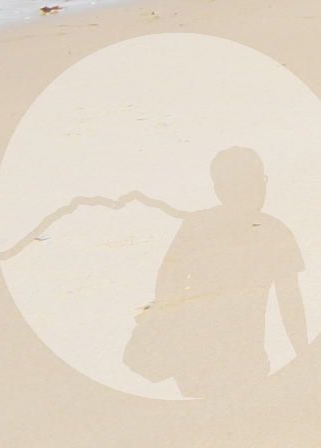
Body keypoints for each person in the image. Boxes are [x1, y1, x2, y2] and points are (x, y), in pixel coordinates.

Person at [123, 146, 306, 396]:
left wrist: (169, 328)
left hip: (197, 361)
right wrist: (304, 355)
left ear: (218, 189)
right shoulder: (276, 233)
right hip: (242, 361)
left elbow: (167, 280)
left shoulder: (196, 225)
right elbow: (290, 305)